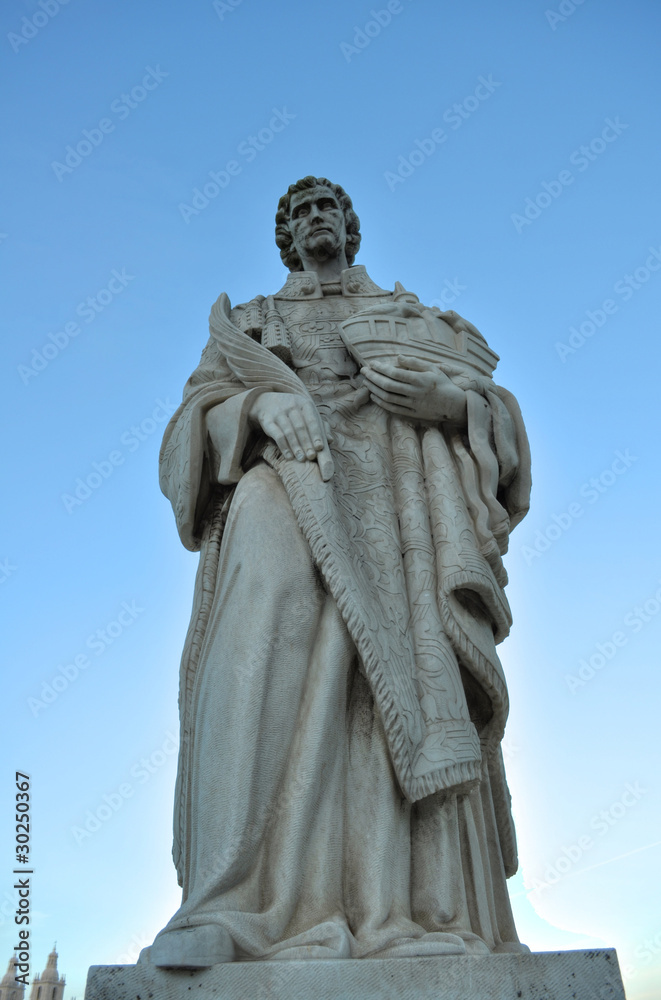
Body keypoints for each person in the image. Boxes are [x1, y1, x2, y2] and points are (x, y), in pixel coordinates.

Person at [146, 175, 532, 967]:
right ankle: (236, 901)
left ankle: (415, 912)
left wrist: (451, 406)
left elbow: (494, 408)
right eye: (297, 212)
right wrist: (252, 410)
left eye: (327, 207)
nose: (314, 218)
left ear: (350, 227)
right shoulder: (249, 323)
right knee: (258, 663)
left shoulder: (413, 317)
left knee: (393, 683)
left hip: (401, 502)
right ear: (284, 236)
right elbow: (185, 432)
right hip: (284, 483)